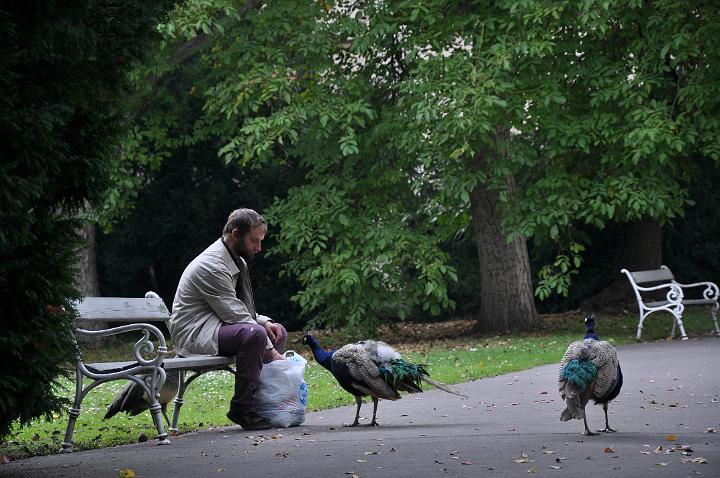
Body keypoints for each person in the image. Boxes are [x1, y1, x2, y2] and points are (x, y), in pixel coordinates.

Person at [169, 208, 287, 430]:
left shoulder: (236, 260)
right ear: (235, 234)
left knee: (274, 330)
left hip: (217, 324)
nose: (258, 248)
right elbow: (233, 313)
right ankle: (243, 408)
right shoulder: (212, 265)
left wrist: (264, 322)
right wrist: (272, 352)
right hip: (195, 334)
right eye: (254, 241)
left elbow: (237, 307)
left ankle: (266, 404)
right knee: (255, 335)